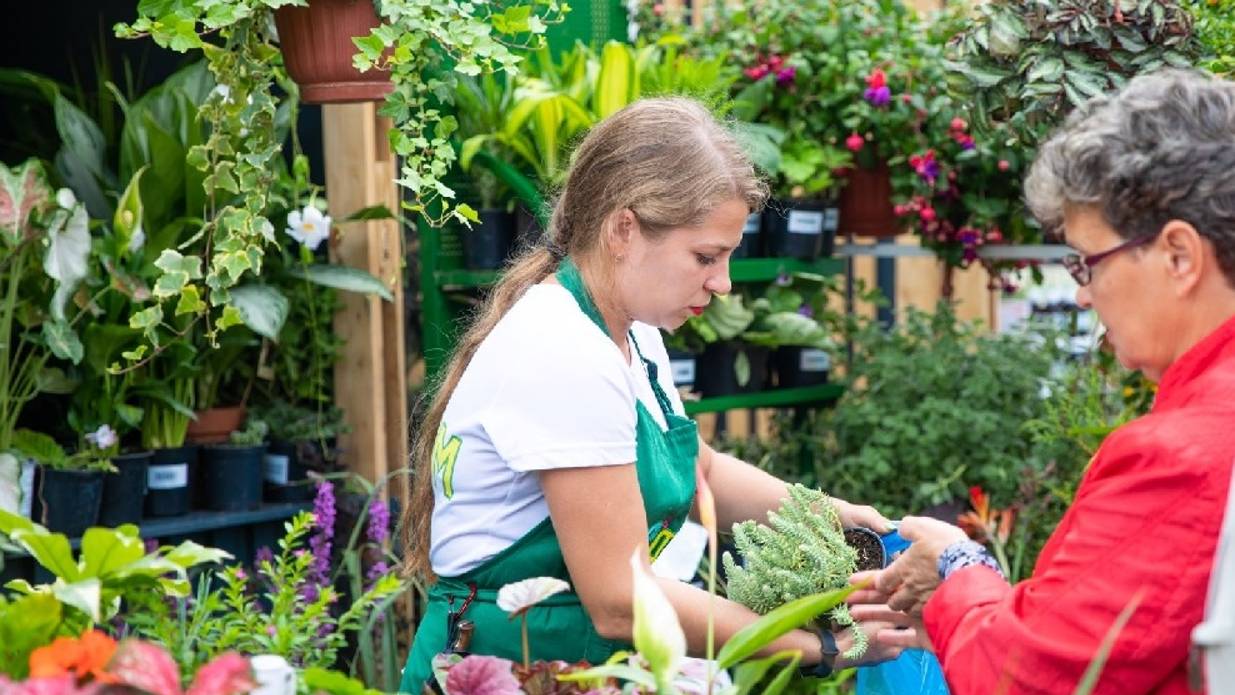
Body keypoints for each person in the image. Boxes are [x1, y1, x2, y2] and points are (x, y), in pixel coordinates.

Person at [398, 98, 898, 693]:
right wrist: (818, 648)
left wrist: (836, 517)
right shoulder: (563, 355)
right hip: (505, 666)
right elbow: (619, 599)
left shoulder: (633, 332)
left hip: (575, 665)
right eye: (705, 257)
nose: (723, 282)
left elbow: (698, 469)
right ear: (623, 228)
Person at [849, 68, 1235, 694]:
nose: (1082, 294)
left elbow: (1021, 677)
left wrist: (957, 564)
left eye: (1089, 261)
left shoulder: (1181, 455)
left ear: (1179, 257)